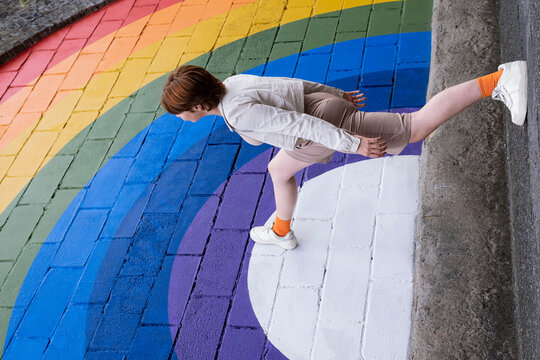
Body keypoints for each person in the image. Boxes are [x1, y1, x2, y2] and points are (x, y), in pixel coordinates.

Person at [161, 61, 528, 250]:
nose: (180, 118)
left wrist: (354, 143)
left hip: (320, 126)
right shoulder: (234, 83)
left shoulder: (238, 112)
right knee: (278, 170)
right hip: (320, 106)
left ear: (196, 105)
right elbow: (292, 87)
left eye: (180, 111)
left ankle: (498, 81)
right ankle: (281, 231)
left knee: (415, 126)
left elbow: (301, 125)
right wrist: (334, 91)